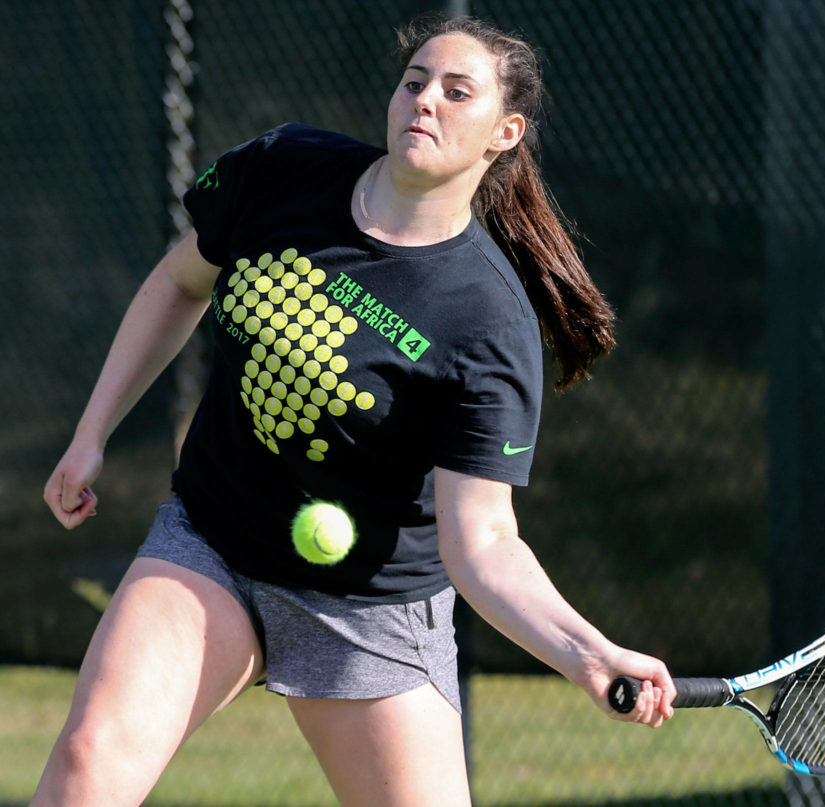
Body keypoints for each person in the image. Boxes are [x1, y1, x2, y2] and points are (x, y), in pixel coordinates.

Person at [34, 14, 676, 807]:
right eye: (414, 81)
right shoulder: (284, 170)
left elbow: (481, 539)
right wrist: (91, 433)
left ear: (503, 134)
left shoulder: (486, 321)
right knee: (88, 764)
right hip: (215, 544)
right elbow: (179, 282)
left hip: (370, 610)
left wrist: (587, 651)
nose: (425, 100)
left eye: (456, 91)